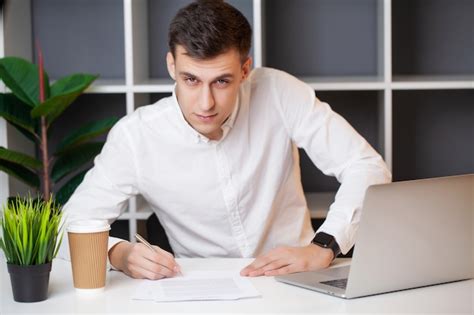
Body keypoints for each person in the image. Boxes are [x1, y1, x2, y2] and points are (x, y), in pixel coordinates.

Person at [62, 0, 391, 280]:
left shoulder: (279, 92)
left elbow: (365, 165)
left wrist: (324, 247)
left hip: (298, 279)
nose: (205, 103)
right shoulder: (136, 136)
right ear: (171, 65)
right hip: (202, 287)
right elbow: (68, 225)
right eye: (191, 79)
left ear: (246, 70)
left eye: (222, 81)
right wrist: (117, 254)